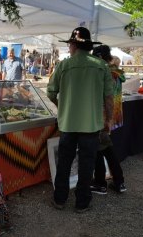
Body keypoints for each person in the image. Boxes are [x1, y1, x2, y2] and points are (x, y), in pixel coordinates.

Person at [47, 27, 113, 213]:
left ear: (74, 45)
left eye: (70, 44)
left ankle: (60, 199)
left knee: (64, 162)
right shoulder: (101, 66)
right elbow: (109, 97)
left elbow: (51, 92)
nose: (69, 48)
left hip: (68, 123)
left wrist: (63, 108)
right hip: (91, 125)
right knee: (87, 163)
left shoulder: (63, 65)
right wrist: (109, 119)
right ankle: (82, 202)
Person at [90, 45, 127, 194]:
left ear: (99, 57)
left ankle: (101, 183)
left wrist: (106, 119)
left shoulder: (106, 72)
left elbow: (105, 97)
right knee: (105, 148)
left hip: (103, 116)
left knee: (101, 149)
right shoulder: (116, 72)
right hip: (113, 115)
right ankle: (118, 182)